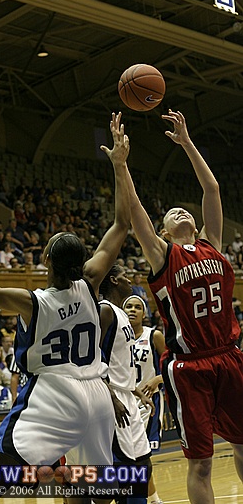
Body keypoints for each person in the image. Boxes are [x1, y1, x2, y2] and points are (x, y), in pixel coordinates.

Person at [0, 111, 130, 504]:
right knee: (89, 491)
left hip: (54, 393)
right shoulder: (92, 281)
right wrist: (119, 164)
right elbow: (121, 224)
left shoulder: (31, 302)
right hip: (96, 395)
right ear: (80, 262)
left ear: (45, 257)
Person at [122, 109, 243, 504]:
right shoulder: (162, 255)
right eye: (172, 212)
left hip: (229, 356)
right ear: (163, 231)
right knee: (202, 463)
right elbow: (136, 211)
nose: (182, 210)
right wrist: (122, 167)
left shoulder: (213, 244)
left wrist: (187, 143)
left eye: (184, 209)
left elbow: (212, 191)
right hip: (190, 366)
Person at [98, 264, 153, 504]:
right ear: (113, 280)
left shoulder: (121, 314)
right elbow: (91, 359)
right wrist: (112, 397)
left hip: (128, 397)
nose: (129, 280)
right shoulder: (105, 310)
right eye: (124, 277)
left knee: (143, 465)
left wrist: (135, 390)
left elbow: (120, 362)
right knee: (121, 474)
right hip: (112, 399)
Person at [123, 295, 166, 504]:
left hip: (147, 402)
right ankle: (150, 499)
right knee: (130, 456)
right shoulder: (117, 336)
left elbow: (172, 362)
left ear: (144, 313)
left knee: (140, 456)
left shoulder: (153, 335)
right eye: (128, 306)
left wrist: (158, 379)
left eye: (137, 307)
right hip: (123, 400)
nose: (132, 310)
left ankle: (152, 499)